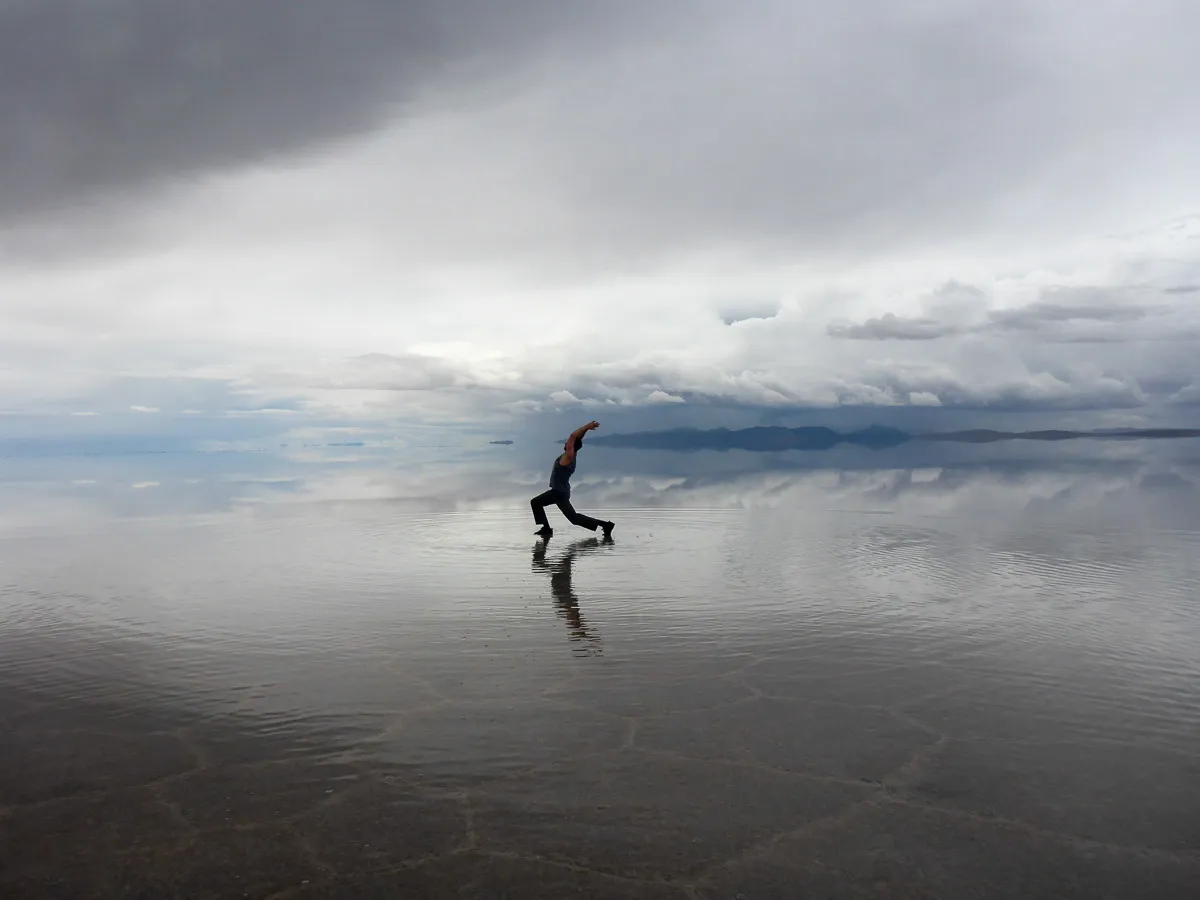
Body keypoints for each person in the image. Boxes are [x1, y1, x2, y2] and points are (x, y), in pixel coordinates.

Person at [530, 420, 614, 539]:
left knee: (535, 502)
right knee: (574, 518)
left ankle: (547, 529)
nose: (567, 443)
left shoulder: (568, 457)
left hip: (558, 492)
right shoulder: (572, 456)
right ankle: (606, 525)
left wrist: (586, 426)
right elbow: (576, 439)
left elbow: (573, 436)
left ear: (571, 447)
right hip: (562, 492)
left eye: (569, 443)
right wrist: (586, 430)